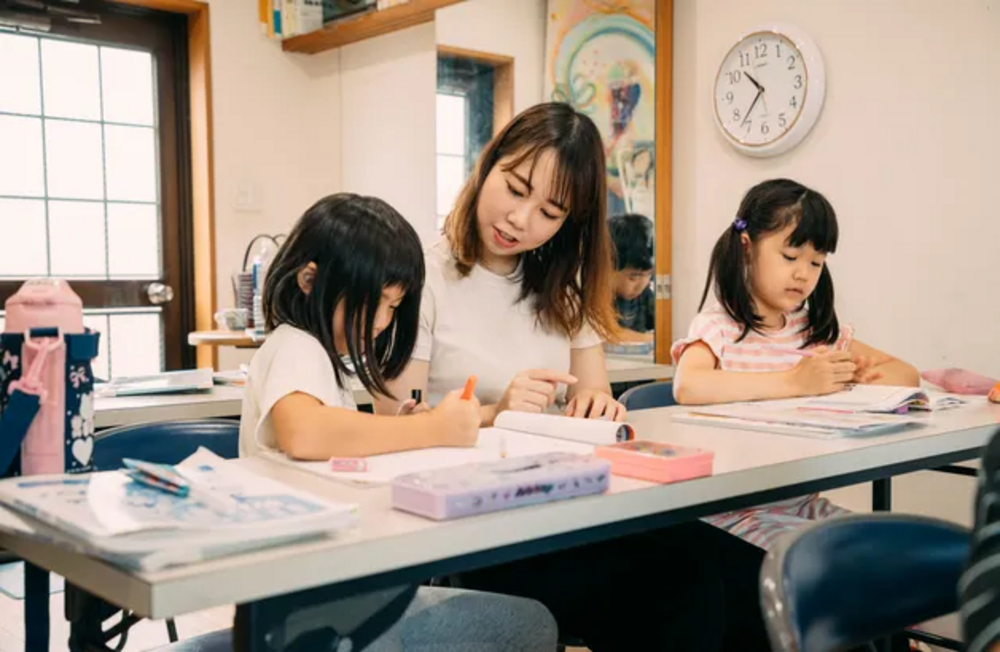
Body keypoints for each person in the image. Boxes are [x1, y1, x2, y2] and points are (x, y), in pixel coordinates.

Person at [377, 102, 727, 651]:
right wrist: (499, 412)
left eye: (550, 212)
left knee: (729, 570)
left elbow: (591, 394)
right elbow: (393, 426)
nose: (521, 219)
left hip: (569, 509)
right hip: (476, 531)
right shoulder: (423, 276)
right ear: (487, 165)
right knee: (684, 594)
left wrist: (600, 410)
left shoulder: (561, 288)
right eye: (515, 189)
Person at [239, 192, 558, 651]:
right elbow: (304, 432)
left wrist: (428, 425)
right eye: (379, 304)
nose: (384, 323)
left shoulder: (320, 359)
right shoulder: (296, 344)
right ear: (311, 280)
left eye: (394, 307)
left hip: (326, 594)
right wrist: (427, 430)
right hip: (316, 610)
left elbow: (331, 437)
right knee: (532, 624)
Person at [670, 178, 920, 650]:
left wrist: (864, 374)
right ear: (746, 247)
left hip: (799, 507)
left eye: (816, 262)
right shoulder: (720, 327)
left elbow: (905, 375)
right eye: (790, 256)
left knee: (879, 562)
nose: (803, 274)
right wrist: (793, 382)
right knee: (823, 581)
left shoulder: (816, 331)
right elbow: (688, 384)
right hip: (733, 517)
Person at [609, 212, 655, 342]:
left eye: (648, 275)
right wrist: (649, 339)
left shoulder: (645, 296)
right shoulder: (597, 297)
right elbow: (608, 332)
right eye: (633, 277)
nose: (642, 284)